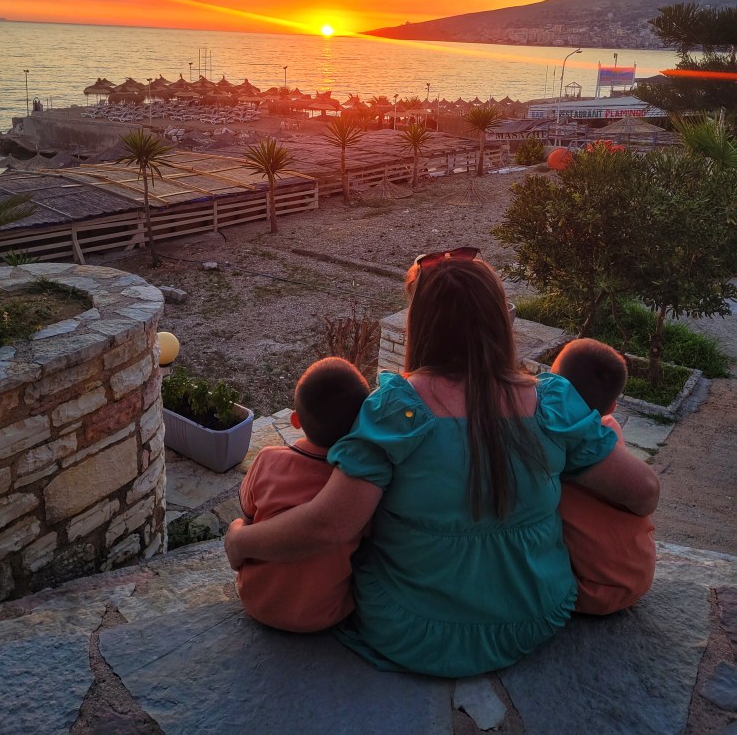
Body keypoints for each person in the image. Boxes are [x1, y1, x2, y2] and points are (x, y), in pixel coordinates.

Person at [226, 252, 659, 677]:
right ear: (499, 322)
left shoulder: (395, 410)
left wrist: (241, 543)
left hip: (411, 627)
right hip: (534, 615)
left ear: (422, 324)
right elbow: (643, 493)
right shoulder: (553, 403)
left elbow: (330, 526)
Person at [236, 357, 370, 633]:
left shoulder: (267, 459)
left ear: (295, 420)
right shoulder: (355, 485)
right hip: (327, 614)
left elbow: (248, 517)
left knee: (237, 526)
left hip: (255, 601)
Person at [550, 338, 656, 615]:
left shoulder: (551, 440)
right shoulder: (611, 430)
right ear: (611, 407)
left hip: (587, 588)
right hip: (639, 573)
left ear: (551, 382)